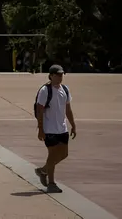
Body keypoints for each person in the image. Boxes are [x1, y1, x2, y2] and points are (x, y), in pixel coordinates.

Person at [34, 65, 77, 193]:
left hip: (62, 128)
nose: (60, 77)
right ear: (51, 75)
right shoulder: (45, 90)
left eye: (61, 74)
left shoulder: (65, 89)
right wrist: (41, 129)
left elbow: (68, 109)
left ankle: (43, 171)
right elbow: (39, 110)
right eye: (58, 75)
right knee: (52, 155)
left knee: (64, 154)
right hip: (49, 128)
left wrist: (73, 125)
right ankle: (51, 183)